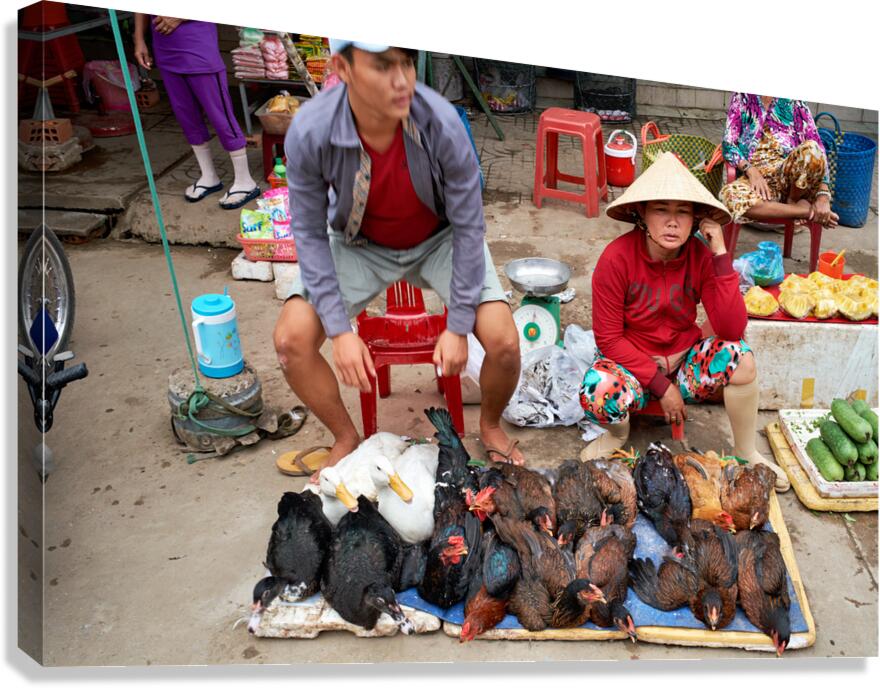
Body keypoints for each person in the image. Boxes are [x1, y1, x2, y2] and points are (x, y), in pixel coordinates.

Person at [273, 40, 522, 479]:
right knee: (291, 341)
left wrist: (458, 324)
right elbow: (309, 234)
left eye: (407, 61)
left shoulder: (441, 122)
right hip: (358, 243)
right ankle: (346, 436)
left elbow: (468, 226)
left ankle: (489, 424)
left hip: (440, 238)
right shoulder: (311, 129)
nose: (402, 78)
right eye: (383, 65)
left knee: (502, 342)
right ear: (342, 68)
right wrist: (339, 330)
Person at [580, 151, 789, 492]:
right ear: (642, 215)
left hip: (684, 363)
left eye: (683, 212)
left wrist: (721, 254)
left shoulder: (702, 256)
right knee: (597, 389)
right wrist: (662, 387)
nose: (673, 222)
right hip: (633, 367)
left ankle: (746, 451)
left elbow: (732, 329)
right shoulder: (615, 260)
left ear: (696, 221)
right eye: (661, 210)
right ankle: (615, 436)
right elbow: (608, 338)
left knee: (743, 360)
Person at [133, 15, 260, 209]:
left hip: (197, 46)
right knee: (186, 115)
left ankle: (245, 181)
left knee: (220, 115)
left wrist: (178, 17)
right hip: (164, 48)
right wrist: (139, 39)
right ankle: (209, 175)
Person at [719, 93, 837, 230]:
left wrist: (823, 197)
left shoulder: (794, 102)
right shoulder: (742, 97)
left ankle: (792, 200)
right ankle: (804, 211)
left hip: (789, 180)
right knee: (728, 196)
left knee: (812, 148)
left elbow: (819, 150)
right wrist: (751, 170)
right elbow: (728, 144)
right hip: (754, 181)